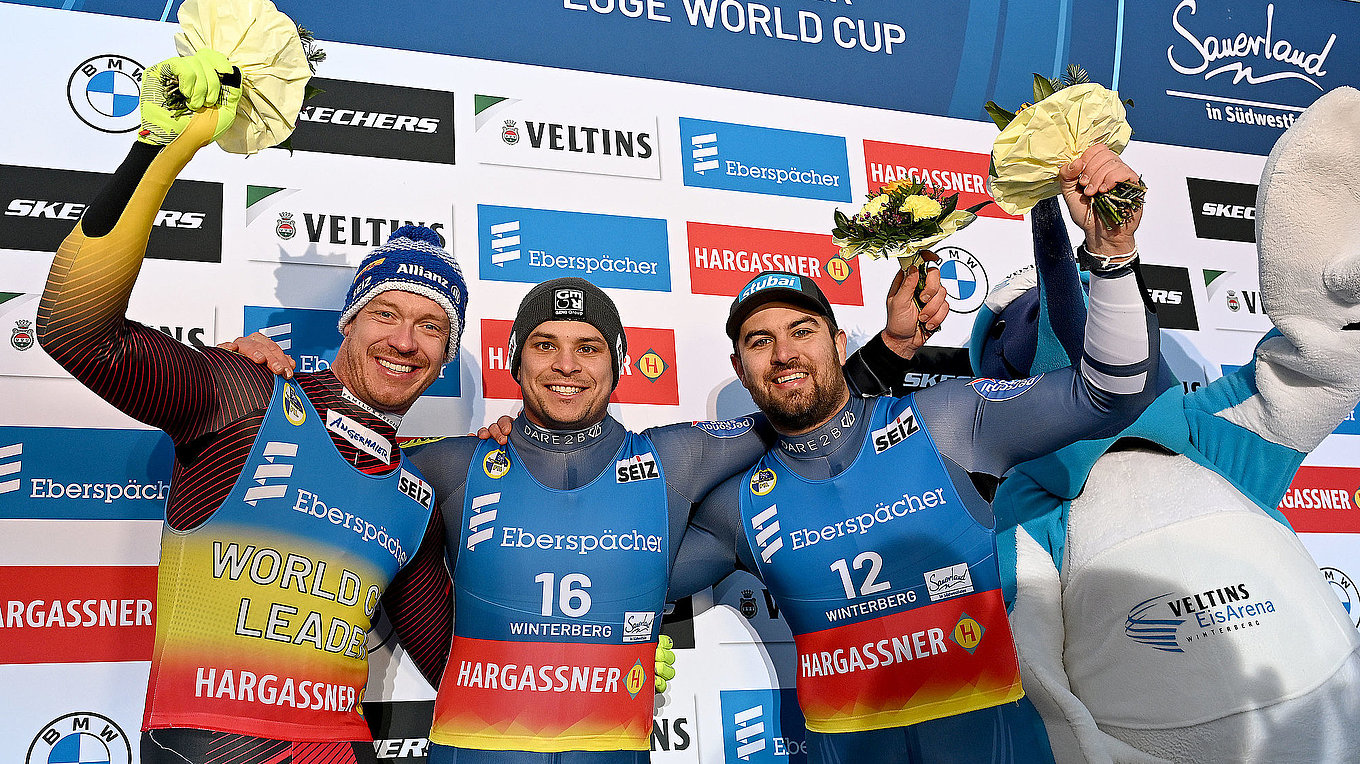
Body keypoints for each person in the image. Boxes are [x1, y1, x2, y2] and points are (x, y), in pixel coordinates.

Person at [231, 270, 945, 763]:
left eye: (588, 347)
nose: (566, 365)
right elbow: (343, 458)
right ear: (516, 362)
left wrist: (890, 352)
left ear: (619, 364)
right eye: (545, 345)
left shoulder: (677, 457)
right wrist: (259, 384)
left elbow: (797, 403)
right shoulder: (449, 464)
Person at [668, 144, 1161, 763]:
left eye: (802, 331)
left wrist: (1113, 254)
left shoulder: (946, 421)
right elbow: (626, 576)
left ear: (838, 342)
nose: (785, 352)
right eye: (759, 341)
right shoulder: (738, 503)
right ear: (740, 367)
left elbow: (1109, 392)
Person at [36, 51, 463, 763]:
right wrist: (161, 151)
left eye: (431, 327)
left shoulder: (413, 494)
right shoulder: (249, 391)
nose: (404, 341)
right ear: (348, 324)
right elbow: (74, 330)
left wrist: (614, 668)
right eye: (386, 313)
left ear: (445, 357)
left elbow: (460, 667)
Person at [949, 86, 1360, 764]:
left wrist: (1330, 260)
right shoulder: (1031, 505)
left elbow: (1320, 360)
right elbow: (1036, 677)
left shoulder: (1208, 435)